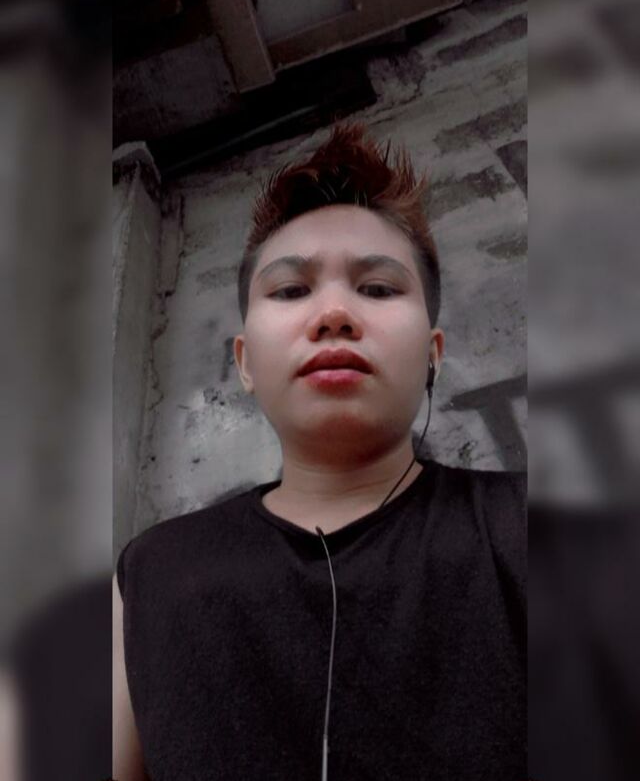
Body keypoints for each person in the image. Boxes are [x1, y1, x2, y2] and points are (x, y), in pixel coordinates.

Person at [113, 123, 526, 781]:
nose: (334, 313)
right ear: (245, 363)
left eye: (379, 288)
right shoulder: (147, 578)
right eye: (290, 290)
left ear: (433, 354)